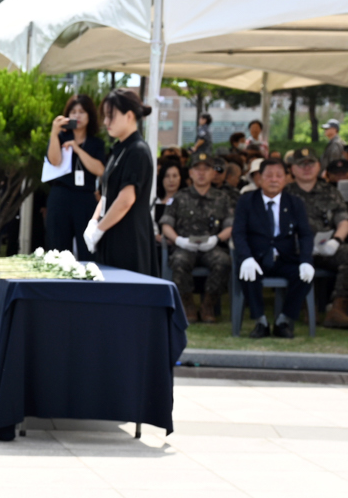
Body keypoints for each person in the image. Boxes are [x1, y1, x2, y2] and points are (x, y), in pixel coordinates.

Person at [233, 156, 314, 338]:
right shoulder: (246, 201)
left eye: (279, 175)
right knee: (247, 274)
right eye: (269, 175)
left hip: (285, 258)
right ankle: (260, 321)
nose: (274, 180)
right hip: (257, 257)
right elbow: (238, 233)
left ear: (286, 178)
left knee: (304, 276)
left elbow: (305, 234)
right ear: (259, 178)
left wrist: (306, 260)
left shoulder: (295, 203)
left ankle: (284, 320)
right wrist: (246, 257)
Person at [283, 149, 348, 328]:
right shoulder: (284, 193)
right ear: (292, 169)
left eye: (311, 163)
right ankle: (303, 308)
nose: (306, 168)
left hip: (325, 246)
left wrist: (336, 240)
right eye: (301, 164)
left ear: (319, 167)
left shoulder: (330, 191)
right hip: (296, 248)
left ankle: (337, 310)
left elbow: (344, 220)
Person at [83, 89, 157, 274]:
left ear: (129, 116)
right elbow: (107, 194)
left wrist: (99, 229)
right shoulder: (119, 149)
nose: (106, 122)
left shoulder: (137, 150)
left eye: (111, 116)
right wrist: (93, 222)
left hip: (128, 238)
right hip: (111, 233)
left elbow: (125, 200)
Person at [160, 151, 234, 323]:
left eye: (206, 169)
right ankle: (188, 305)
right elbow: (166, 225)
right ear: (191, 173)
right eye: (197, 169)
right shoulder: (180, 196)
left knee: (223, 262)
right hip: (185, 246)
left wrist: (216, 239)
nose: (201, 173)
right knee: (178, 262)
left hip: (212, 246)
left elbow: (230, 226)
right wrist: (179, 240)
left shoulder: (222, 197)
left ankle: (208, 305)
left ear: (213, 173)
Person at [40, 93, 105, 253]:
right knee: (58, 248)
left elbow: (100, 170)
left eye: (82, 111)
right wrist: (54, 133)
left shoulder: (96, 143)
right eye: (73, 111)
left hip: (85, 198)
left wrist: (77, 149)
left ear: (90, 115)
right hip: (61, 196)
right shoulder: (60, 137)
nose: (77, 115)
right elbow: (54, 161)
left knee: (87, 249)